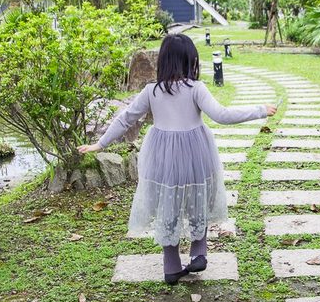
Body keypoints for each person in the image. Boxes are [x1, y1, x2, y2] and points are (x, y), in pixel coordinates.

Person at [78, 35, 277, 284]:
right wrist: (260, 110)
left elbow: (126, 118)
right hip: (196, 153)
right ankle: (198, 253)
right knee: (198, 199)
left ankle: (171, 267)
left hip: (162, 156)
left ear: (163, 60)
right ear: (189, 61)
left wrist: (101, 143)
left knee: (167, 206)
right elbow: (222, 115)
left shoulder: (151, 91)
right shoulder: (196, 89)